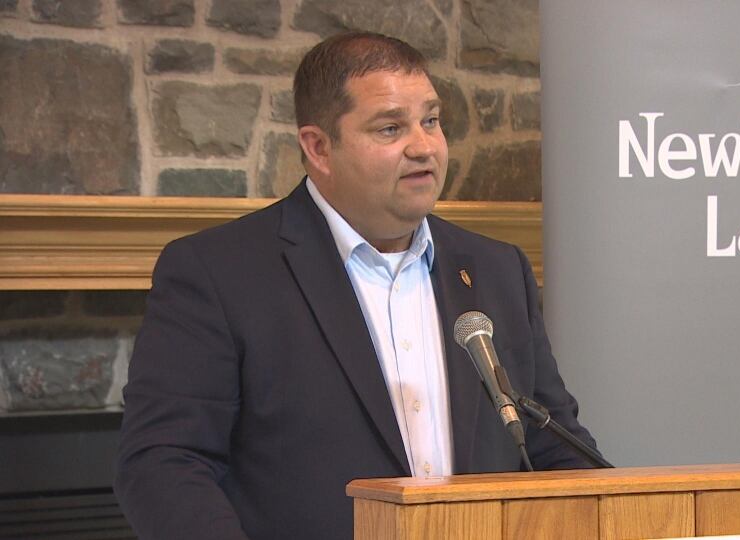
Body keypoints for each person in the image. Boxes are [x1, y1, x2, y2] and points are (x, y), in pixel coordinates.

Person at [115, 32, 599, 540]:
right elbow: (163, 463)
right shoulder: (218, 272)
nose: (424, 146)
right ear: (319, 147)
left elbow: (554, 445)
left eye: (431, 121)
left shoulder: (497, 269)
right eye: (391, 128)